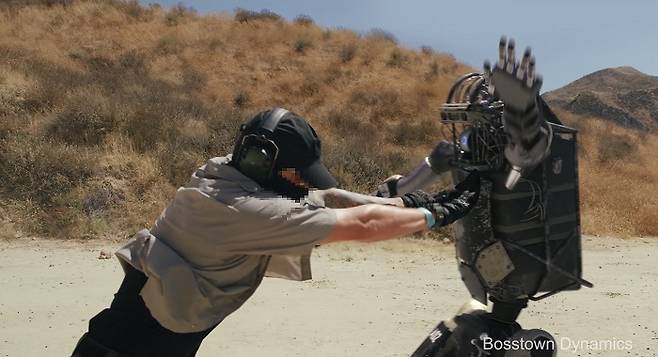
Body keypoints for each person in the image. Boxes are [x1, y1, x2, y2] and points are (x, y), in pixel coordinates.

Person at [71, 107, 481, 357]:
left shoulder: (225, 174)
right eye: (295, 175)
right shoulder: (242, 210)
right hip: (125, 352)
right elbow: (364, 224)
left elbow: (328, 198)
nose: (302, 184)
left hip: (142, 340)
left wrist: (416, 190)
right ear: (264, 164)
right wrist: (440, 214)